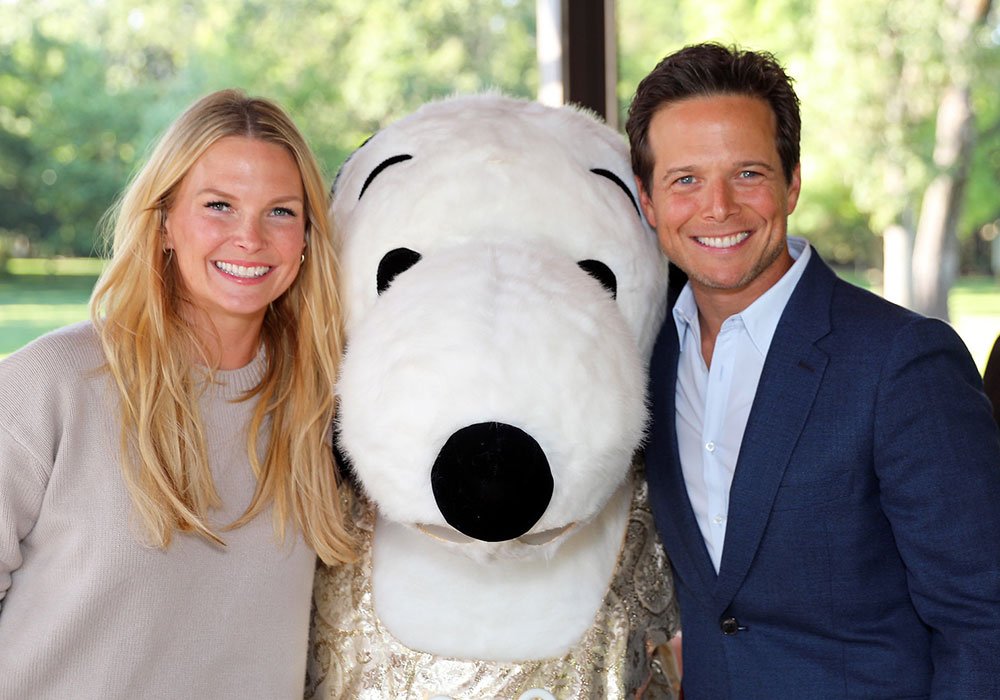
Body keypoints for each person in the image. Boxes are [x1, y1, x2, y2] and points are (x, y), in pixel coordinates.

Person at [626, 43, 1000, 699]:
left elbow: (982, 620)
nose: (717, 207)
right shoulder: (642, 358)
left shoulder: (902, 364)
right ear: (649, 202)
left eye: (747, 174)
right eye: (685, 179)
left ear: (792, 181)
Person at [0, 89, 354, 698]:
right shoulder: (51, 383)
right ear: (164, 222)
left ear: (306, 236)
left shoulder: (326, 408)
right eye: (219, 205)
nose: (250, 237)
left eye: (280, 211)